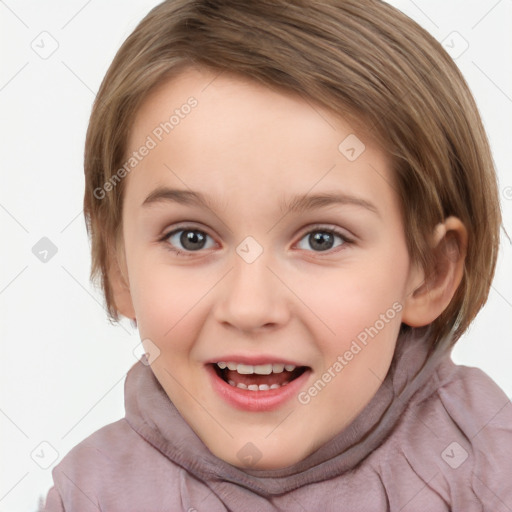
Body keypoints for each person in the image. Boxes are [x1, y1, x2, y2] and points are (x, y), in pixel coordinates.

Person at [41, 0, 512, 510]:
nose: (249, 307)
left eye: (321, 239)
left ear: (430, 273)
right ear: (119, 268)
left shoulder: (487, 463)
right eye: (191, 238)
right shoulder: (91, 495)